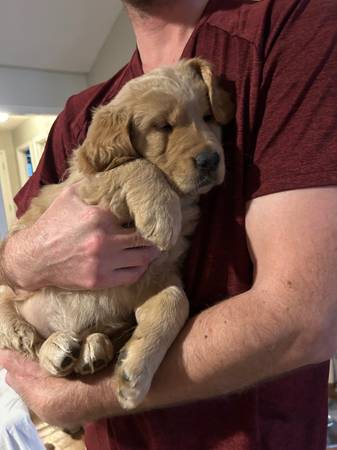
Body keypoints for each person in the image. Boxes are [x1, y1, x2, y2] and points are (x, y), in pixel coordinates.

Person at [0, 0, 336, 448]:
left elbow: (309, 317)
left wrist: (76, 399)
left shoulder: (291, 27)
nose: (204, 142)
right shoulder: (82, 114)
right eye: (164, 128)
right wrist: (26, 259)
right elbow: (17, 255)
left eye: (211, 119)